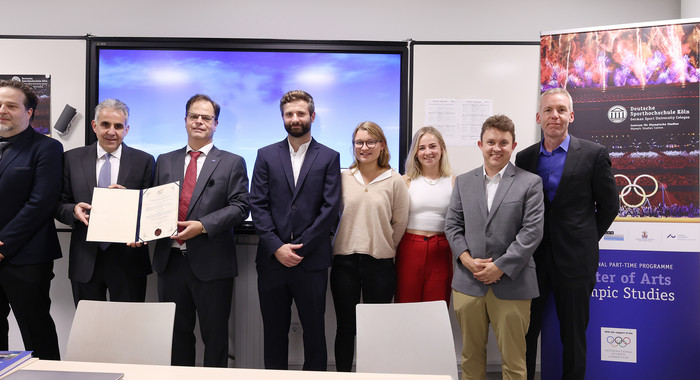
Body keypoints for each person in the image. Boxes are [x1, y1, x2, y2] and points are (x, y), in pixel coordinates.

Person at [515, 88, 618, 380]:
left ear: (571, 116)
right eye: (548, 110)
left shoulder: (594, 154)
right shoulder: (524, 158)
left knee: (573, 337)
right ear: (539, 117)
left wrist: (584, 239)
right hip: (531, 263)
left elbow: (610, 206)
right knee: (525, 333)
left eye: (561, 110)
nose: (554, 116)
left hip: (576, 262)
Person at [152, 94, 250, 367]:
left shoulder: (232, 162)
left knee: (215, 337)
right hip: (169, 262)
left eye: (206, 118)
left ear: (215, 124)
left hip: (213, 264)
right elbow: (151, 202)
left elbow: (241, 207)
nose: (199, 122)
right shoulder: (164, 160)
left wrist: (203, 226)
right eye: (194, 116)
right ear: (185, 120)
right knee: (177, 335)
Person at [445, 114, 544, 380]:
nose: (496, 148)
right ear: (480, 144)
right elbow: (452, 225)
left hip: (513, 283)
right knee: (470, 358)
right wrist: (466, 260)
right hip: (469, 282)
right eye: (491, 142)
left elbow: (532, 232)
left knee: (514, 361)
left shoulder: (530, 182)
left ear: (513, 145)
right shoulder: (463, 182)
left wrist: (500, 266)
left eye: (503, 142)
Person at [250, 90, 341, 370]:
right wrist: (277, 247)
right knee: (274, 333)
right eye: (289, 114)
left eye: (301, 113)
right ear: (283, 118)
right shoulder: (266, 155)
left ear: (312, 116)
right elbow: (258, 204)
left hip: (310, 261)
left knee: (315, 333)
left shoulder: (328, 157)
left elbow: (330, 209)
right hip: (272, 261)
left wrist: (299, 247)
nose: (295, 118)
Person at [56, 99, 154, 305]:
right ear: (94, 125)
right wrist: (74, 210)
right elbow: (58, 203)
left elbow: (151, 209)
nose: (112, 131)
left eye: (118, 126)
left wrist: (131, 202)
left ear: (126, 129)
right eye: (105, 124)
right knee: (89, 330)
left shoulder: (144, 161)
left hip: (129, 259)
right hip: (86, 259)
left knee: (129, 328)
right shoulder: (71, 159)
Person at [331, 121, 409, 372]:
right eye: (359, 142)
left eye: (371, 142)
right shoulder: (342, 177)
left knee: (377, 329)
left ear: (382, 144)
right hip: (344, 262)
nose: (364, 147)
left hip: (380, 264)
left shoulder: (394, 180)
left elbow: (399, 223)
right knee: (345, 327)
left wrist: (382, 244)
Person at [0, 79, 62, 359]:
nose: (3, 110)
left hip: (26, 259)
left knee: (37, 333)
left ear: (29, 113)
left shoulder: (47, 148)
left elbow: (40, 204)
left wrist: (2, 244)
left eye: (11, 105)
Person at [395, 126, 454, 305]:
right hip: (409, 248)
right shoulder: (404, 181)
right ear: (415, 153)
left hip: (441, 250)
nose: (427, 152)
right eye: (422, 148)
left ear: (441, 149)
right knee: (406, 306)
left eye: (432, 146)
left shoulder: (454, 181)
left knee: (436, 308)